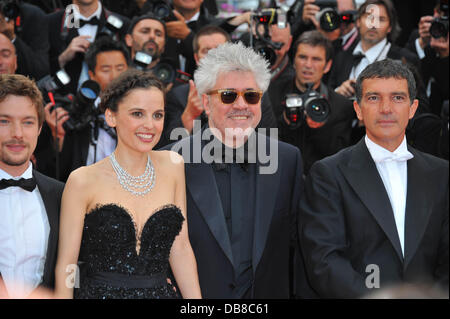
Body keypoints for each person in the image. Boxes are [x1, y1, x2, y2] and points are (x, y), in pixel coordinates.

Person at [167, 42, 311, 298]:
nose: (241, 105)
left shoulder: (288, 160)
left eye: (251, 95)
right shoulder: (172, 160)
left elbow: (299, 248)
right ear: (206, 102)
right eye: (228, 95)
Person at [300, 59, 449, 298]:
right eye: (373, 98)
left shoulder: (441, 174)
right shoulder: (328, 174)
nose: (386, 108)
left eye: (398, 98)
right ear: (358, 108)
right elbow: (325, 262)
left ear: (413, 108)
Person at [54, 69, 201, 299]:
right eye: (137, 114)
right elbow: (67, 265)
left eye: (158, 115)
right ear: (111, 116)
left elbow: (180, 248)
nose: (150, 125)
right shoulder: (82, 180)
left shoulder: (173, 164)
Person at [0, 74, 64, 298]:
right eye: (4, 121)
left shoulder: (61, 195)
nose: (17, 133)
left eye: (27, 122)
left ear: (39, 129)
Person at [160, 25, 276, 148]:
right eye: (206, 51)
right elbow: (169, 152)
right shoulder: (178, 96)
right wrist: (188, 116)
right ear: (196, 58)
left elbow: (270, 144)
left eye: (220, 50)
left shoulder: (255, 93)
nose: (214, 56)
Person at [36, 37, 130, 182]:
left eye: (120, 68)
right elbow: (52, 172)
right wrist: (58, 137)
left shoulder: (141, 113)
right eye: (106, 69)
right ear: (92, 74)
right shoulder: (74, 112)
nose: (114, 76)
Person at [269, 31, 354, 174]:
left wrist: (318, 127)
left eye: (316, 59)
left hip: (318, 186)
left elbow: (339, 160)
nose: (308, 65)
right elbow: (264, 144)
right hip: (278, 178)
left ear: (327, 66)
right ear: (294, 61)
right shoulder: (272, 93)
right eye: (302, 57)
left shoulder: (341, 106)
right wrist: (285, 122)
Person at [329, 0, 419, 98]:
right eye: (369, 17)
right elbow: (326, 95)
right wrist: (338, 94)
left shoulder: (406, 59)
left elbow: (419, 104)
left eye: (381, 19)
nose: (373, 24)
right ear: (358, 21)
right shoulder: (340, 57)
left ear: (390, 27)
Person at [48, 0, 129, 94]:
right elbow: (38, 71)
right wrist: (63, 58)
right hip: (63, 101)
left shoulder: (123, 24)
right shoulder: (51, 23)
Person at [0, 1, 50, 80]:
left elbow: (40, 71)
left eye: (5, 54)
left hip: (20, 84)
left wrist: (11, 37)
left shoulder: (30, 15)